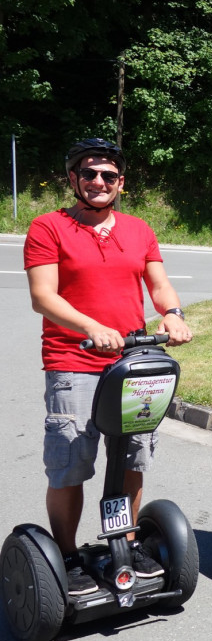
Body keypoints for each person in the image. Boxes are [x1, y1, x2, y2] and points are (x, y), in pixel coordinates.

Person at [24, 137, 193, 596]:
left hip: (132, 360)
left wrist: (173, 314)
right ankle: (68, 554)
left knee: (133, 455)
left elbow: (158, 284)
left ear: (122, 183)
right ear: (73, 178)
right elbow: (44, 296)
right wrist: (92, 326)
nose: (100, 182)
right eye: (90, 174)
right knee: (71, 462)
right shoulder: (48, 227)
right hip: (73, 360)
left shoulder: (139, 230)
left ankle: (127, 540)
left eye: (109, 176)